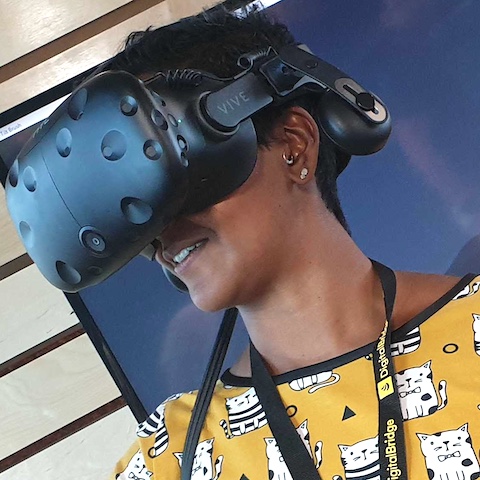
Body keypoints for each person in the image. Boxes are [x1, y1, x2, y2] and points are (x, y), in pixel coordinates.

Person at [110, 6, 480, 480]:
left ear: (293, 143)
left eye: (171, 167)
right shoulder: (171, 457)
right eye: (132, 200)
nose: (159, 225)